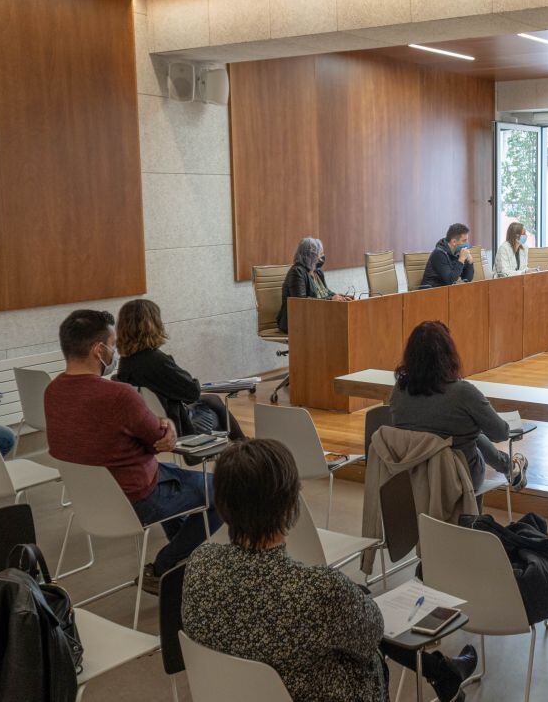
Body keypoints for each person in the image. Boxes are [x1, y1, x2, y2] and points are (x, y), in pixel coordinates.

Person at [182, 439, 477, 702]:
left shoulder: (199, 564)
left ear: (221, 506)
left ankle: (440, 670)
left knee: (353, 603)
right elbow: (372, 633)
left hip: (227, 692)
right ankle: (440, 670)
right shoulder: (318, 589)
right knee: (359, 609)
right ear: (289, 508)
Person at [44, 309, 221, 592]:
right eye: (113, 345)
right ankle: (164, 567)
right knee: (226, 489)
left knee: (179, 478)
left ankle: (181, 560)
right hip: (138, 497)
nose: (116, 352)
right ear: (98, 350)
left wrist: (158, 429)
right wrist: (166, 425)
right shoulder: (119, 395)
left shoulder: (52, 391)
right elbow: (161, 441)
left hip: (90, 500)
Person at [389, 321, 528, 491]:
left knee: (464, 431)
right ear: (448, 354)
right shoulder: (463, 393)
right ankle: (510, 468)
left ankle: (509, 467)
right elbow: (501, 433)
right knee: (469, 432)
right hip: (460, 479)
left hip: (413, 475)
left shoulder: (399, 390)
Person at [114, 299, 246, 440]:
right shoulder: (156, 360)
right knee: (215, 403)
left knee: (212, 399)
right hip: (176, 423)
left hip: (150, 421)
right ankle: (243, 444)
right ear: (152, 325)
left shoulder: (125, 361)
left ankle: (242, 443)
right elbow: (192, 392)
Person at [276, 237, 350, 334]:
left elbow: (325, 292)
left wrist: (340, 297)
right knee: (339, 326)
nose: (322, 257)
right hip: (297, 322)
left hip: (316, 317)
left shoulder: (317, 272)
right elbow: (301, 303)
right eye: (320, 253)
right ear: (310, 255)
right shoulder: (297, 272)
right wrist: (331, 300)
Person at [422, 223, 475, 288]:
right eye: (464, 241)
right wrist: (461, 260)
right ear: (454, 242)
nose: (467, 243)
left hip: (447, 291)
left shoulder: (458, 252)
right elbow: (450, 281)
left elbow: (467, 279)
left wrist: (470, 262)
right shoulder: (439, 253)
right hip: (431, 292)